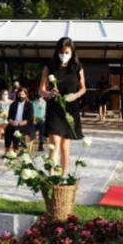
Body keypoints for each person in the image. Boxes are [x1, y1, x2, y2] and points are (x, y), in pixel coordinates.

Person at [40, 36, 86, 175]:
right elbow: (41, 90)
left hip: (70, 109)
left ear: (72, 52)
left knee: (65, 146)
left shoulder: (77, 67)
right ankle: (52, 176)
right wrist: (48, 93)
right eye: (61, 52)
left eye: (67, 52)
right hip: (54, 107)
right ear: (57, 51)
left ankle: (63, 177)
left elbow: (83, 89)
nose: (64, 55)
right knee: (54, 143)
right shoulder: (49, 67)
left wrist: (75, 96)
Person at [3, 87, 34, 156]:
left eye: (23, 94)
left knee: (16, 130)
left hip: (25, 125)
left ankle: (15, 150)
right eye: (19, 94)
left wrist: (19, 123)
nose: (21, 96)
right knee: (8, 128)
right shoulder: (13, 104)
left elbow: (28, 119)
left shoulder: (29, 105)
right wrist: (12, 122)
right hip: (14, 124)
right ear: (17, 95)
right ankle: (7, 149)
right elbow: (9, 117)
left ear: (26, 95)